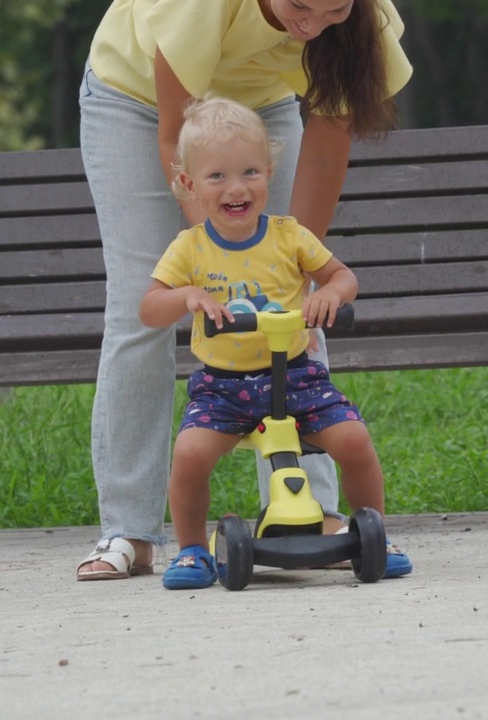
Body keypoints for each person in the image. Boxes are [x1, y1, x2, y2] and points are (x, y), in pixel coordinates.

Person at [75, 0, 414, 581]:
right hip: (139, 103)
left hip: (259, 106)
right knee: (142, 310)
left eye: (331, 9)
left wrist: (290, 268)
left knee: (291, 302)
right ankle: (129, 529)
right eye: (299, 6)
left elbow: (329, 142)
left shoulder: (363, 20)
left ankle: (317, 517)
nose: (311, 24)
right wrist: (212, 262)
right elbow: (174, 132)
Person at [139, 96, 388, 589]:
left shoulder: (289, 236)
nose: (237, 187)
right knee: (189, 455)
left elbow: (342, 277)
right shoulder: (190, 248)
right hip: (223, 387)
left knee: (354, 440)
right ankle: (191, 549)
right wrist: (187, 296)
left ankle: (372, 532)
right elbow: (149, 307)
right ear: (188, 184)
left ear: (270, 173)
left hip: (296, 374)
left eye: (250, 171)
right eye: (217, 177)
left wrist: (331, 295)